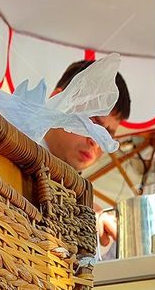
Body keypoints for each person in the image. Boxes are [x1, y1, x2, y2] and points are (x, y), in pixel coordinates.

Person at [44, 61, 132, 256]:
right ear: (58, 99)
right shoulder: (6, 148)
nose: (97, 141)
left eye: (107, 133)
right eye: (92, 121)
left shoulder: (91, 210)